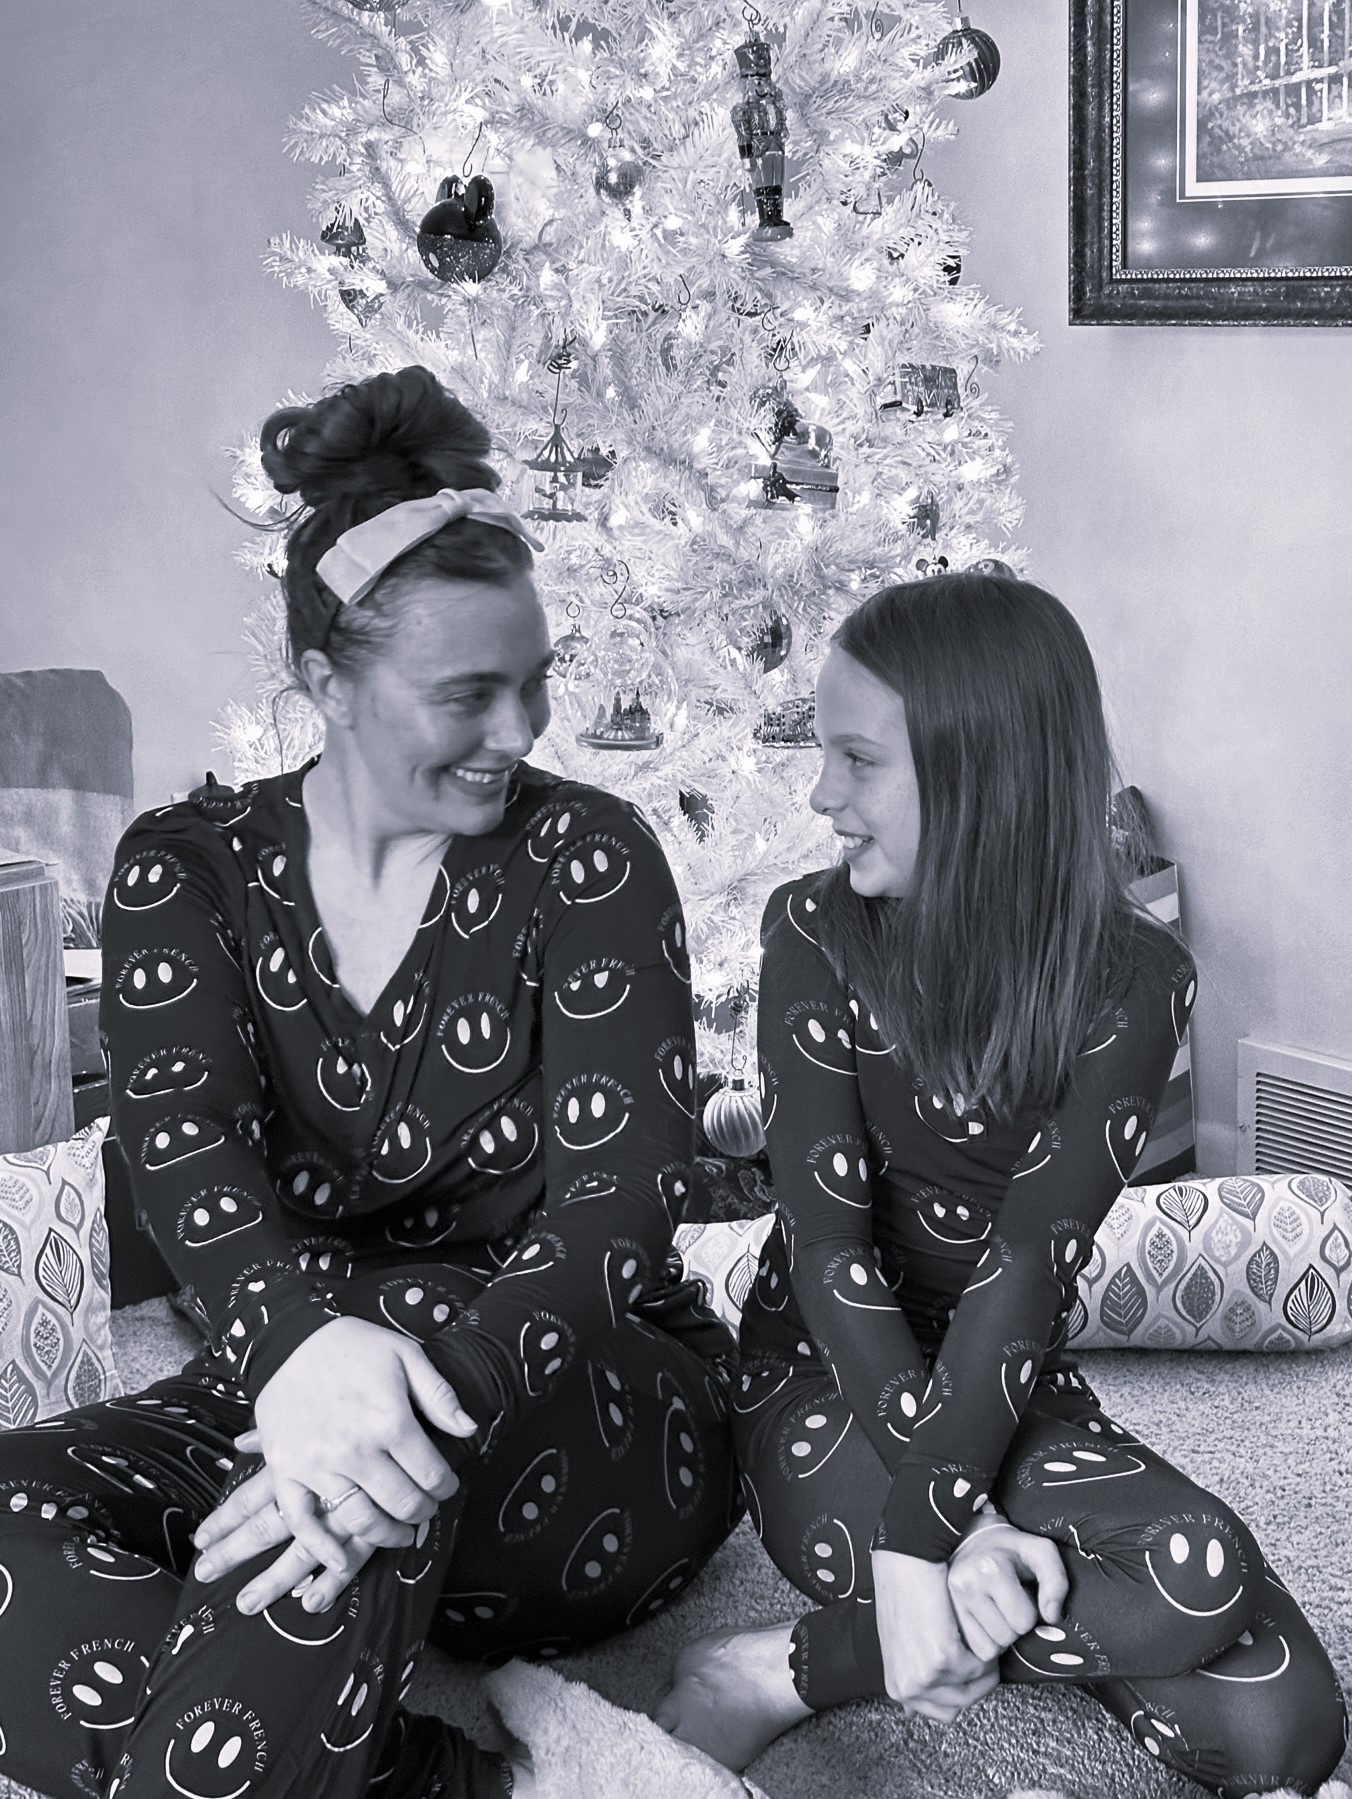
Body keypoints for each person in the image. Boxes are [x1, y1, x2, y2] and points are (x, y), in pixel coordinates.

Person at [0, 366, 741, 1799]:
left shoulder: (589, 854)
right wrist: (300, 1358)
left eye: (534, 681)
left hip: (577, 1405)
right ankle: (481, 1779)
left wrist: (390, 1395)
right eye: (468, 694)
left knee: (366, 1415)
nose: (520, 729)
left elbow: (621, 1208)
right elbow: (183, 1149)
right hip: (285, 1378)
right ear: (325, 685)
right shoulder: (186, 867)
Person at [658, 573, 1347, 1797]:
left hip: (1005, 1377)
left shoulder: (1135, 978)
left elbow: (1024, 1265)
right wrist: (943, 1536)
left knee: (1269, 1702)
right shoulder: (810, 930)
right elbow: (827, 1252)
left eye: (856, 760)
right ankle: (788, 1663)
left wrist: (948, 1533)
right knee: (1149, 1596)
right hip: (821, 1382)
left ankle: (824, 1652)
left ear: (979, 775)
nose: (819, 795)